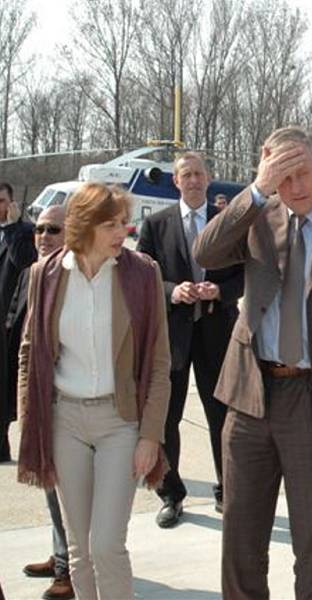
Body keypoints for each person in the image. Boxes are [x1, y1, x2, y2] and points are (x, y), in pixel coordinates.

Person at [193, 126, 312, 599]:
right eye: (283, 176)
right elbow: (205, 252)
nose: (295, 185)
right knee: (241, 537)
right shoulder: (257, 216)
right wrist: (258, 191)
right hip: (249, 393)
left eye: (302, 172)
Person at [16, 182, 171, 600]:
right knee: (79, 549)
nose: (123, 231)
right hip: (64, 419)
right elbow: (30, 354)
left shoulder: (143, 274)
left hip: (119, 422)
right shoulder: (43, 276)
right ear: (84, 227)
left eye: (124, 222)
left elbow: (159, 363)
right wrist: (31, 419)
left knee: (106, 545)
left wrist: (150, 435)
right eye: (112, 224)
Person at [138, 152, 243, 526]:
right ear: (176, 181)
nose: (194, 180)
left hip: (218, 333)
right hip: (173, 336)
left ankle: (227, 491)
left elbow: (246, 273)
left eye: (199, 173)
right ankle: (171, 494)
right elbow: (142, 274)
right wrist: (171, 290)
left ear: (209, 178)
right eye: (187, 174)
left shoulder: (227, 223)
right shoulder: (156, 224)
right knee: (167, 418)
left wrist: (221, 291)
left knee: (224, 417)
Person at [6, 206, 74, 600]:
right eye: (40, 229)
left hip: (67, 400)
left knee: (64, 485)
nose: (43, 236)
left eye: (54, 229)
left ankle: (69, 568)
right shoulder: (35, 274)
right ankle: (60, 552)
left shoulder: (70, 280)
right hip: (36, 393)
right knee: (49, 482)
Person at [0, 181, 37, 461]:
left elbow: (24, 261)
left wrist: (12, 228)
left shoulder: (25, 232)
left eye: (2, 201)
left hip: (11, 320)